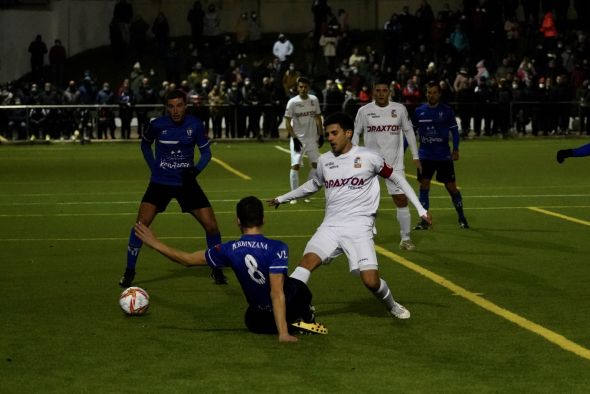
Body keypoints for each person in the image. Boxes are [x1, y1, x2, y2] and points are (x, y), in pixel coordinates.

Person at [268, 112, 432, 320]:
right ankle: (282, 309)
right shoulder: (325, 160)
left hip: (359, 229)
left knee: (371, 281)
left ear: (348, 133)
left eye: (334, 133)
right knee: (306, 263)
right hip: (330, 227)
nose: (330, 138)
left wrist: (420, 209)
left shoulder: (369, 157)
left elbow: (397, 178)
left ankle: (391, 305)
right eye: (327, 134)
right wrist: (283, 198)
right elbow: (313, 185)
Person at [134, 196, 324, 342]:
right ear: (263, 219)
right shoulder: (278, 248)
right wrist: (283, 334)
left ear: (238, 221)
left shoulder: (227, 250)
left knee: (250, 315)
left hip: (257, 322)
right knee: (298, 286)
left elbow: (187, 260)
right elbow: (276, 292)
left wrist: (155, 243)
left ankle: (288, 324)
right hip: (282, 312)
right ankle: (302, 319)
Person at [119, 89, 227, 287]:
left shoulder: (194, 124)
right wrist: (154, 168)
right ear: (166, 108)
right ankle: (129, 271)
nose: (175, 110)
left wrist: (195, 171)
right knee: (140, 227)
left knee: (211, 226)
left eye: (179, 105)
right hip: (160, 182)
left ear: (185, 105)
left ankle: (217, 269)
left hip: (186, 183)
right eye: (171, 106)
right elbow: (145, 146)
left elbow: (206, 154)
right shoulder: (157, 125)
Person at [352, 79, 422, 251]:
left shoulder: (399, 109)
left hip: (394, 164)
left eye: (384, 90)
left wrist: (415, 155)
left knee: (400, 199)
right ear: (373, 92)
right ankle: (366, 235)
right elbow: (356, 134)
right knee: (366, 201)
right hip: (369, 164)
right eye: (378, 90)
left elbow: (409, 132)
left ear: (389, 92)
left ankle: (405, 239)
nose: (381, 93)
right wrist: (353, 157)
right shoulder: (364, 111)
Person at [413, 81, 469, 230]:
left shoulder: (447, 111)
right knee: (424, 186)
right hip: (424, 155)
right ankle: (424, 220)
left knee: (451, 188)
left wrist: (456, 149)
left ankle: (462, 217)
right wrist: (406, 150)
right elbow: (411, 134)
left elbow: (455, 132)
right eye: (429, 92)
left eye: (434, 92)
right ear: (426, 94)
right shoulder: (419, 111)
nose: (432, 95)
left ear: (439, 94)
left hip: (443, 156)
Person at [283, 77, 324, 203]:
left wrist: (321, 134)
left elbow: (318, 118)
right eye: (301, 87)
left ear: (309, 88)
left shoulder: (314, 100)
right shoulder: (292, 102)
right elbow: (287, 122)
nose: (303, 89)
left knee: (316, 167)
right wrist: (294, 138)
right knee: (295, 166)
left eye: (305, 87)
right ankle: (294, 195)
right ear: (297, 87)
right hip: (298, 139)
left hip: (312, 138)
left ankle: (305, 193)